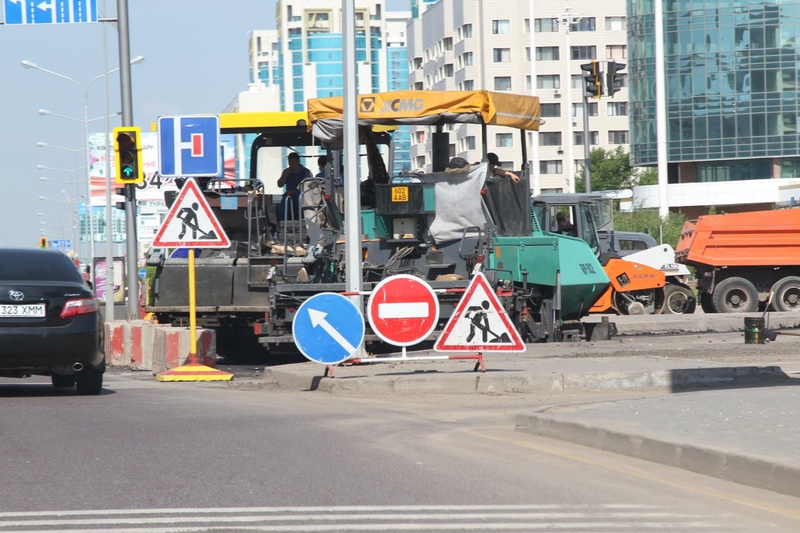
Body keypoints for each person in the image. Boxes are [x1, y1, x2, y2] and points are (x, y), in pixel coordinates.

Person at [277, 152, 312, 221]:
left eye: (293, 162)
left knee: (299, 200)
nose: (291, 164)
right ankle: (283, 223)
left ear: (298, 161)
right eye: (290, 162)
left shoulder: (306, 172)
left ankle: (302, 221)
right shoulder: (286, 172)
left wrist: (297, 191)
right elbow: (280, 185)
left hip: (302, 194)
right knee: (283, 206)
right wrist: (285, 175)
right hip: (289, 194)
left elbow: (310, 186)